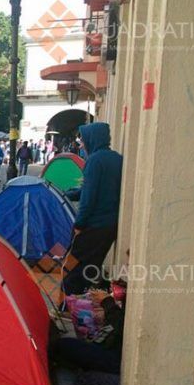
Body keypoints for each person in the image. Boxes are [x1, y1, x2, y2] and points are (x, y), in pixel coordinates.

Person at [62, 122, 123, 295]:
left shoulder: (94, 161)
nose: (81, 145)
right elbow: (96, 188)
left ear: (92, 139)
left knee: (72, 268)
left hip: (94, 224)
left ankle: (69, 304)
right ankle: (88, 300)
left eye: (83, 140)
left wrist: (79, 224)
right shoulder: (117, 158)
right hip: (109, 225)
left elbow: (88, 198)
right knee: (91, 267)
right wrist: (68, 194)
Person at [54, 287, 124, 373]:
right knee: (64, 344)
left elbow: (118, 327)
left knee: (64, 345)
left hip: (115, 357)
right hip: (111, 347)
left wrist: (107, 303)